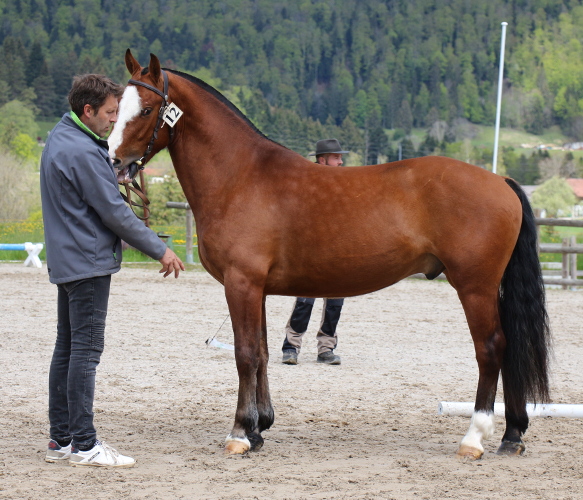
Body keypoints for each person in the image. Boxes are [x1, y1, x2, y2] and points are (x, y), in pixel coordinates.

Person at [40, 74, 185, 468]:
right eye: (108, 113)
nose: (112, 120)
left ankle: (62, 439)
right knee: (85, 354)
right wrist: (160, 249)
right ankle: (85, 444)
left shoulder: (60, 136)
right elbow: (115, 212)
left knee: (67, 349)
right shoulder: (85, 152)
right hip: (87, 262)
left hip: (68, 260)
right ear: (88, 110)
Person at [281, 139, 349, 366]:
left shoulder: (345, 185)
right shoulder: (306, 184)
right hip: (310, 252)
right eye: (336, 157)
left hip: (337, 251)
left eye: (340, 157)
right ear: (323, 160)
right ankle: (291, 346)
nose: (341, 161)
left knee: (335, 304)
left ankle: (326, 348)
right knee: (305, 301)